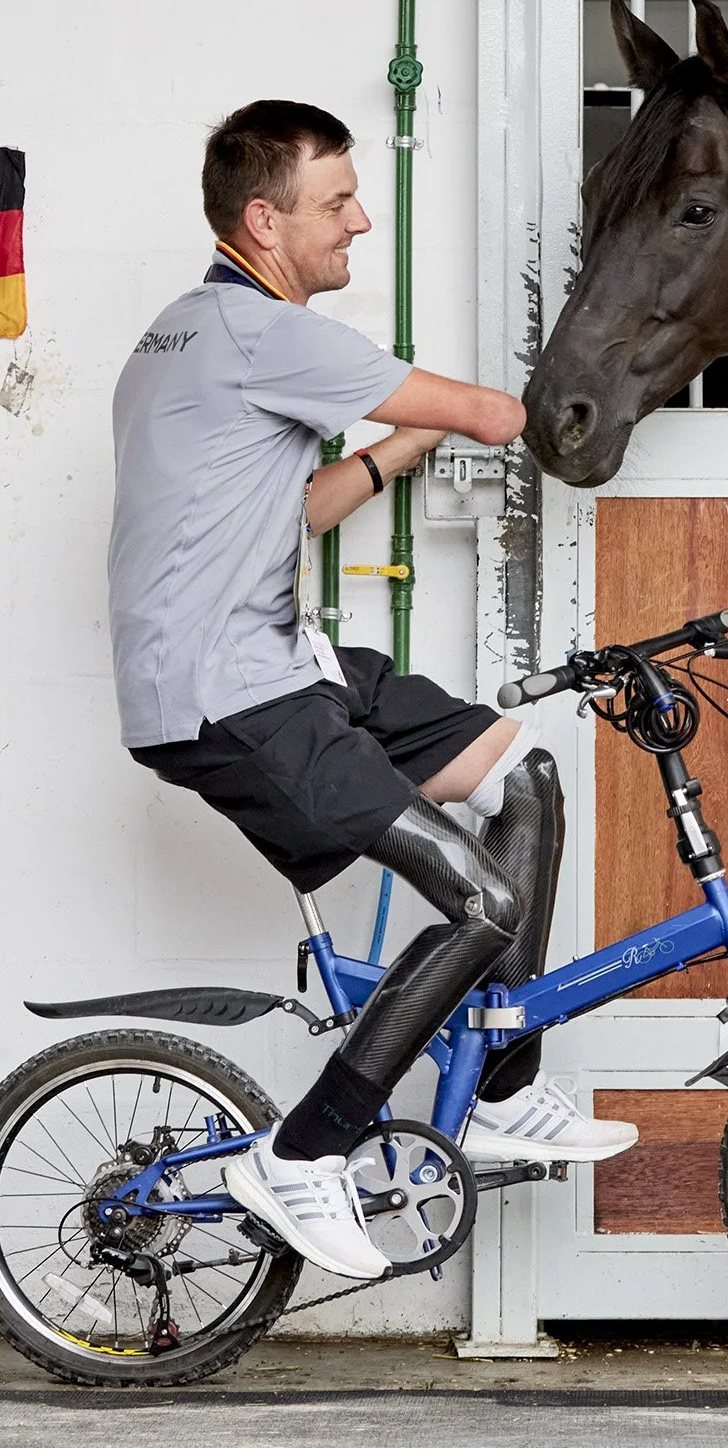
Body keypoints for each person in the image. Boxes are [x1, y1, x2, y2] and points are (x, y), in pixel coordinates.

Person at [107, 100, 636, 1281]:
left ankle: (496, 1084)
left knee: (519, 774)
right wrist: (566, 387)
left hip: (286, 664)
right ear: (264, 220)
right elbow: (501, 415)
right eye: (334, 202)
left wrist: (396, 449)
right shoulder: (262, 332)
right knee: (485, 902)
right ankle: (307, 1151)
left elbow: (293, 510)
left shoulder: (187, 336)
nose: (359, 220)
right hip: (229, 691)